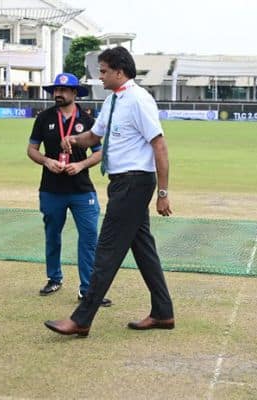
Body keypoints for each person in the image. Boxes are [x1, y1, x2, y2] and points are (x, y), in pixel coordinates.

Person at [44, 46, 174, 337]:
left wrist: (163, 193)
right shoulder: (114, 101)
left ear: (119, 70)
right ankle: (163, 313)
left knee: (106, 250)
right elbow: (94, 136)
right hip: (121, 183)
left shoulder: (139, 100)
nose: (99, 76)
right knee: (143, 250)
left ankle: (82, 318)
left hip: (134, 182)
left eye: (103, 71)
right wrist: (74, 140)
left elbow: (159, 145)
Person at [27, 72, 111, 306]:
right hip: (51, 189)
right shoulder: (43, 118)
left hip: (82, 190)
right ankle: (54, 278)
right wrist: (46, 161)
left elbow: (99, 153)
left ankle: (88, 289)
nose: (58, 93)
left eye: (63, 90)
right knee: (52, 235)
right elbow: (31, 149)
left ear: (74, 93)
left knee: (89, 238)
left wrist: (81, 164)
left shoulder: (87, 120)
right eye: (56, 89)